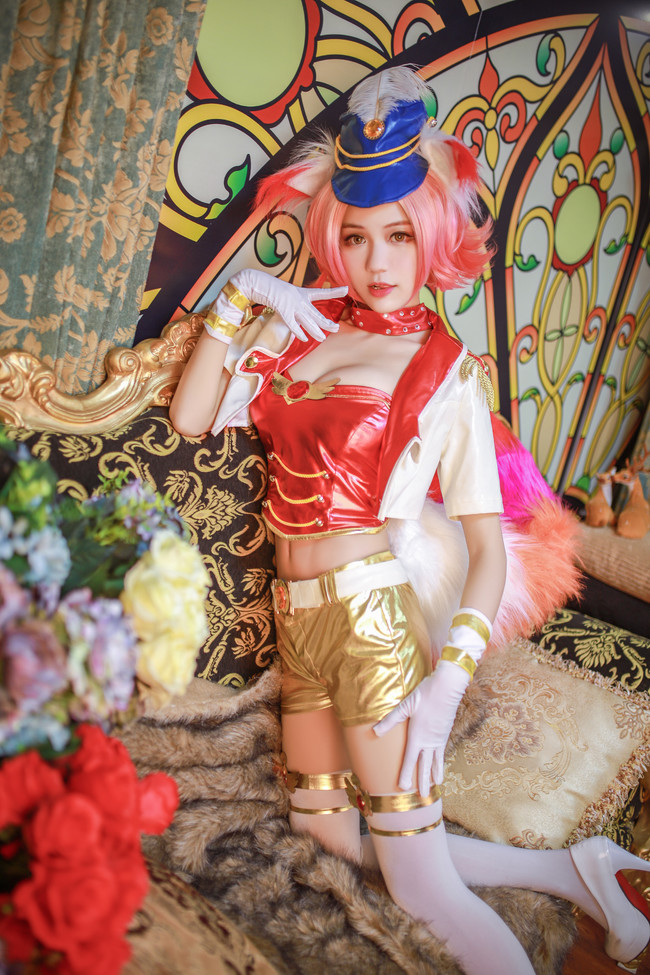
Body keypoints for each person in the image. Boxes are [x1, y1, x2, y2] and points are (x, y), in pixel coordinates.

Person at [170, 67, 649, 975]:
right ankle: (578, 870)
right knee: (329, 834)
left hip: (370, 626)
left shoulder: (447, 371)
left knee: (422, 887)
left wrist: (444, 690)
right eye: (356, 237)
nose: (377, 262)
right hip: (297, 624)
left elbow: (486, 553)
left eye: (398, 236)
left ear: (431, 239)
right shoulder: (302, 330)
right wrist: (247, 295)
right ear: (334, 239)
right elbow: (194, 415)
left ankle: (570, 878)